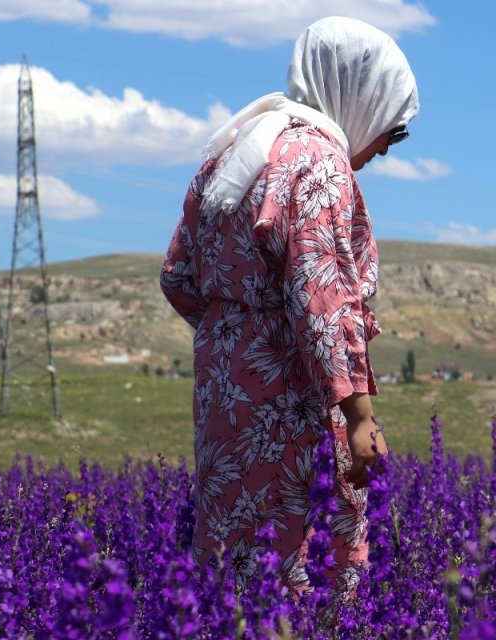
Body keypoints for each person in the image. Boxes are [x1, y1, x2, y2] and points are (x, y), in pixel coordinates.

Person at [160, 16, 417, 594]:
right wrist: (359, 419)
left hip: (225, 394)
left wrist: (233, 337)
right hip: (292, 399)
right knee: (298, 568)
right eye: (391, 131)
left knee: (232, 569)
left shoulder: (233, 153)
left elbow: (177, 275)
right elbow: (323, 302)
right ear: (360, 96)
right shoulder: (319, 162)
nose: (382, 149)